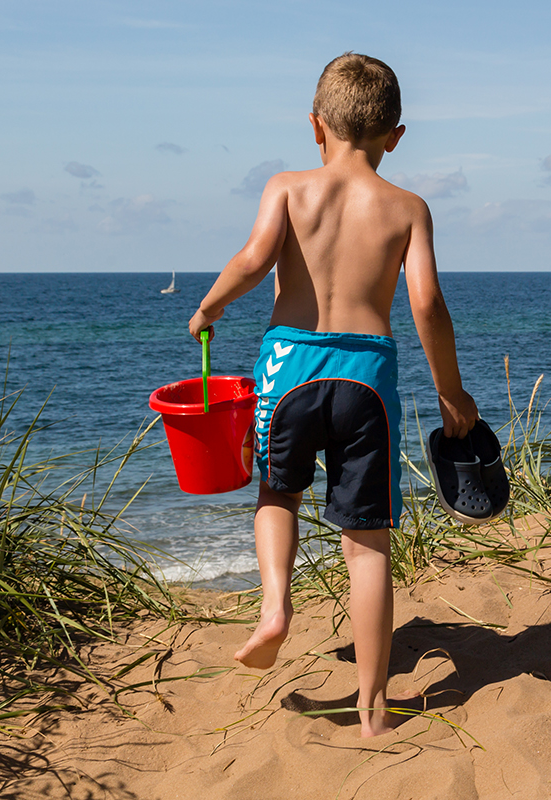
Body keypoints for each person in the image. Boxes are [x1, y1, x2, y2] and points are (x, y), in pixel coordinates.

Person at [187, 52, 478, 738]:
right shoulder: (408, 207)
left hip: (289, 367)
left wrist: (209, 307)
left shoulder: (287, 188)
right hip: (367, 380)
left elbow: (255, 260)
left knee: (276, 495)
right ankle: (374, 709)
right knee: (367, 543)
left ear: (315, 126)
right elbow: (428, 302)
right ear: (396, 136)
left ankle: (274, 611)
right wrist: (450, 391)